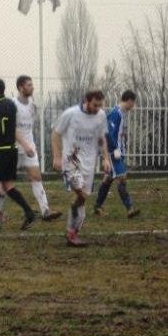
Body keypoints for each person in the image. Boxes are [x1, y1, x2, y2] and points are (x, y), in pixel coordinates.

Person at [51, 89, 112, 247]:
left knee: (82, 199)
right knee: (80, 194)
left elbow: (101, 138)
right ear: (86, 101)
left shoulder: (101, 116)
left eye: (100, 105)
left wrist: (106, 158)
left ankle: (72, 232)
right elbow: (55, 134)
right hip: (71, 161)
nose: (97, 108)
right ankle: (71, 232)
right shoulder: (70, 114)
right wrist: (57, 157)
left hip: (89, 164)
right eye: (95, 105)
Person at [0, 78, 37, 230]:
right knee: (8, 186)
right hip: (11, 150)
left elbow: (0, 131)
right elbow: (7, 126)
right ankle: (29, 212)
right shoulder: (9, 104)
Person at [13, 75, 62, 221]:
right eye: (29, 85)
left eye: (32, 84)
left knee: (36, 177)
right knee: (6, 181)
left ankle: (46, 211)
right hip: (14, 148)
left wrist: (29, 145)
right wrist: (23, 144)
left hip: (30, 148)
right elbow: (12, 128)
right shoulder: (13, 104)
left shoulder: (33, 105)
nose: (32, 87)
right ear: (20, 87)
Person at [94, 90, 141, 218]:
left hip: (116, 151)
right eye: (133, 103)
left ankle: (97, 206)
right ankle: (130, 208)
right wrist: (114, 149)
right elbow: (108, 132)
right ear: (129, 101)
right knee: (122, 177)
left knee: (108, 179)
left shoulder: (120, 113)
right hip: (112, 152)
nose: (133, 106)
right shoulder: (116, 113)